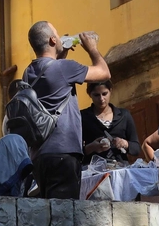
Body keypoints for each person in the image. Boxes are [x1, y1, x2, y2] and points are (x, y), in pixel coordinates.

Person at [22, 21, 110, 199]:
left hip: (39, 156)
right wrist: (92, 48)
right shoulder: (64, 68)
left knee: (51, 211)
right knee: (64, 215)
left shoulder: (28, 72)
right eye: (57, 32)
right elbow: (104, 73)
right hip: (63, 153)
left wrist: (60, 55)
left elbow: (53, 83)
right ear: (53, 40)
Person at [80, 80, 142, 164]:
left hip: (120, 170)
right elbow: (75, 152)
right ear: (89, 94)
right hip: (94, 171)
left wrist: (124, 143)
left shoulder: (124, 115)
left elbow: (136, 148)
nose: (101, 99)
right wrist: (91, 147)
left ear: (111, 91)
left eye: (104, 94)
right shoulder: (83, 117)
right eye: (96, 95)